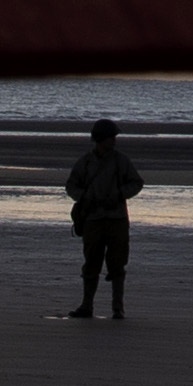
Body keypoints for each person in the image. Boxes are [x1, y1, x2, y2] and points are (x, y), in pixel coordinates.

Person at [65, 117, 144, 320]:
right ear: (101, 139)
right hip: (93, 220)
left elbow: (136, 183)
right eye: (111, 137)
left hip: (117, 219)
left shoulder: (121, 161)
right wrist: (85, 197)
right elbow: (71, 186)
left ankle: (118, 308)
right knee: (91, 263)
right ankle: (86, 306)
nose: (114, 141)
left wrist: (118, 194)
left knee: (117, 264)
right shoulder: (85, 163)